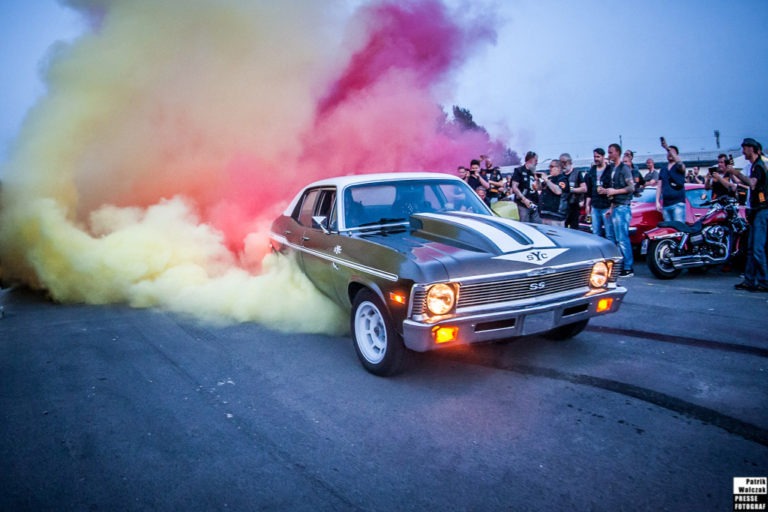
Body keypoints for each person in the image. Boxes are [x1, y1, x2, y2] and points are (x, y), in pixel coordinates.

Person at [730, 138, 768, 292]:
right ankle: (750, 280)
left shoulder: (759, 166)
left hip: (762, 210)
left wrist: (734, 172)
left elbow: (751, 184)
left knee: (757, 248)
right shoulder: (754, 166)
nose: (743, 151)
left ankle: (764, 281)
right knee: (751, 249)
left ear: (752, 149)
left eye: (745, 148)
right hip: (756, 210)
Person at [605, 143, 635, 277]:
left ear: (617, 152)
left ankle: (628, 267)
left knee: (622, 238)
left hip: (623, 206)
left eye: (611, 152)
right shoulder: (612, 168)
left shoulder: (624, 168)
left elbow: (631, 187)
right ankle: (621, 265)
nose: (609, 155)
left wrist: (615, 191)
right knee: (616, 238)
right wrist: (611, 208)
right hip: (616, 206)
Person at [584, 147, 614, 240]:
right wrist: (587, 205)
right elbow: (589, 189)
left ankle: (611, 253)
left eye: (598, 156)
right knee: (596, 233)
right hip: (595, 206)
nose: (596, 159)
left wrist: (606, 191)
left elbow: (614, 187)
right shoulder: (592, 171)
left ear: (603, 157)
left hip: (606, 205)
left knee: (609, 233)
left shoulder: (610, 170)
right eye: (594, 157)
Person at [655, 137, 686, 223]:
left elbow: (681, 164)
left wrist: (667, 148)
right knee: (669, 231)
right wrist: (657, 201)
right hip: (666, 205)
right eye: (668, 152)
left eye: (671, 152)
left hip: (678, 204)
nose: (669, 154)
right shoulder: (663, 169)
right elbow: (659, 186)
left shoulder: (679, 167)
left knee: (679, 229)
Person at [511, 151, 541, 223]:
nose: (537, 162)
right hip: (523, 204)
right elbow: (514, 187)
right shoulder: (519, 171)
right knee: (525, 224)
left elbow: (538, 188)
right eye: (536, 160)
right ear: (530, 160)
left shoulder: (534, 172)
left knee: (537, 224)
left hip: (534, 203)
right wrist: (524, 199)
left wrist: (536, 178)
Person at [538, 160, 570, 226]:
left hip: (556, 215)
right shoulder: (550, 179)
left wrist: (546, 180)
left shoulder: (563, 179)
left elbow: (558, 191)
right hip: (545, 214)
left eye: (551, 166)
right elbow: (538, 188)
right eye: (549, 166)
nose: (550, 168)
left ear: (558, 168)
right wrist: (537, 179)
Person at [561, 153, 586, 229]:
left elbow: (584, 188)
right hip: (563, 206)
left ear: (569, 162)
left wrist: (571, 189)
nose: (563, 165)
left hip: (574, 205)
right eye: (561, 163)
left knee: (574, 228)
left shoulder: (577, 173)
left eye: (564, 162)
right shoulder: (561, 175)